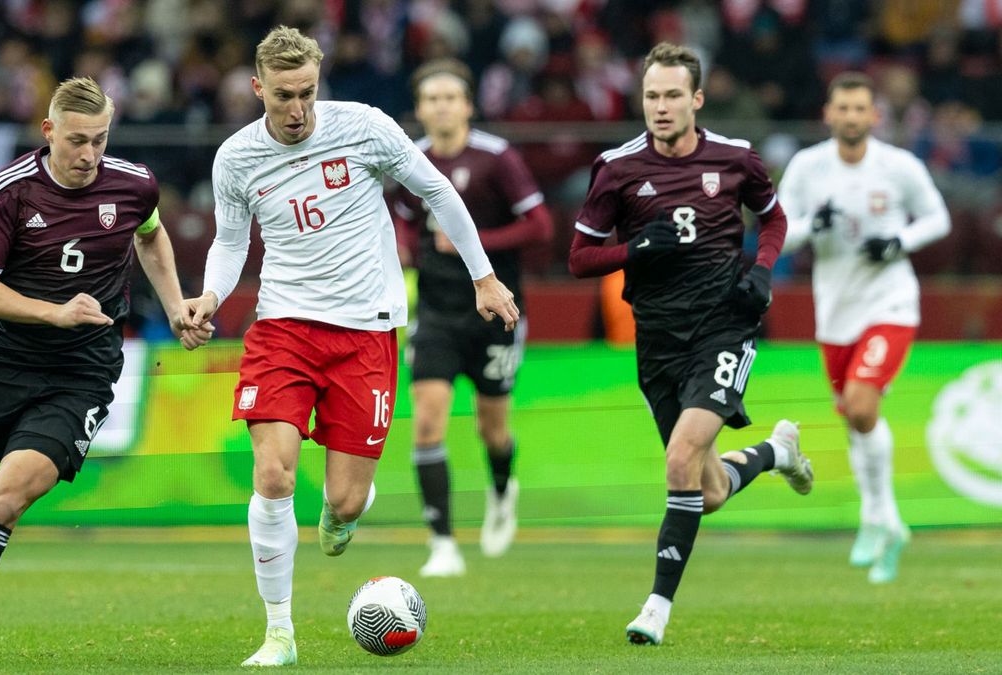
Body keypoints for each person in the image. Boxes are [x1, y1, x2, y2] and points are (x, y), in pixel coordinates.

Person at [182, 27, 520, 667]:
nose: (299, 108)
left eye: (308, 92)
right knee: (273, 471)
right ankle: (279, 633)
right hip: (282, 326)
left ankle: (341, 519)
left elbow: (436, 190)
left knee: (345, 498)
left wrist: (483, 275)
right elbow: (231, 243)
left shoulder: (363, 126)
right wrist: (210, 297)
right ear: (259, 89)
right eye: (284, 95)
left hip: (366, 330)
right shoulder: (237, 158)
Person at [0, 77, 202, 664]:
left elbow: (151, 237)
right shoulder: (9, 191)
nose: (89, 155)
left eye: (100, 140)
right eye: (77, 141)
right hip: (2, 364)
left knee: (5, 501)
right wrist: (56, 312)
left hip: (82, 375)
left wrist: (176, 308)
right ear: (48, 131)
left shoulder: (134, 185)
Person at [567, 42, 815, 646]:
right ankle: (775, 454)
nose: (660, 106)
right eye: (651, 95)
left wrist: (761, 271)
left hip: (724, 326)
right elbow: (578, 259)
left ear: (696, 99)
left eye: (673, 95)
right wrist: (634, 251)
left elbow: (775, 218)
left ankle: (655, 606)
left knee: (678, 460)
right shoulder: (617, 169)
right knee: (705, 492)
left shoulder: (736, 159)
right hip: (658, 339)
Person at [778, 72, 950, 584]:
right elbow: (779, 232)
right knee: (856, 420)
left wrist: (898, 242)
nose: (852, 117)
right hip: (835, 311)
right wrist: (813, 227)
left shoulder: (898, 166)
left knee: (861, 403)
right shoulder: (807, 167)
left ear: (876, 116)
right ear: (827, 114)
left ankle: (874, 517)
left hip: (890, 302)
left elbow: (937, 218)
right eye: (843, 108)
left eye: (861, 109)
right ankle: (889, 522)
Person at [392, 58, 553, 577]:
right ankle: (442, 543)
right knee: (427, 424)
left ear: (467, 106)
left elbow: (540, 225)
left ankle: (503, 489)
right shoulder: (408, 160)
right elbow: (397, 218)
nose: (440, 106)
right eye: (431, 98)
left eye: (450, 97)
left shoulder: (496, 157)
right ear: (419, 109)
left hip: (496, 312)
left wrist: (475, 245)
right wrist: (404, 248)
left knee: (492, 429)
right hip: (436, 311)